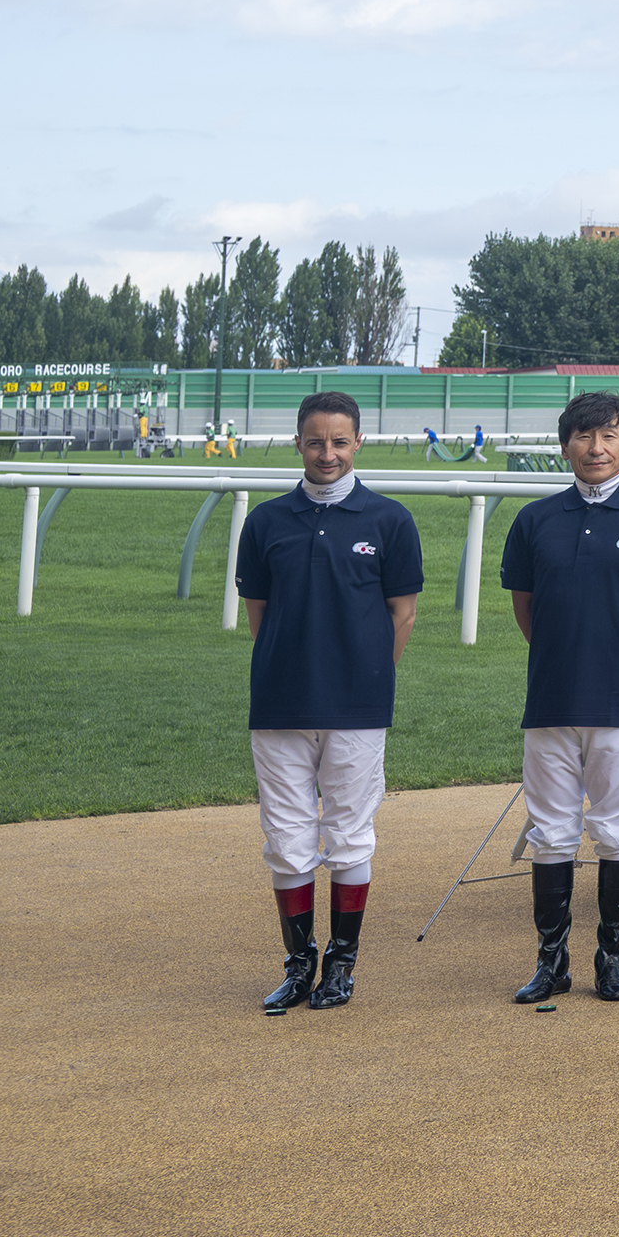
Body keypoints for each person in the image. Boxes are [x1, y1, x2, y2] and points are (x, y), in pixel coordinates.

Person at [499, 391, 619, 1004]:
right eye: (583, 436)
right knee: (551, 832)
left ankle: (612, 960)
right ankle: (550, 963)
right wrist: (562, 658)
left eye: (609, 436)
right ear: (565, 447)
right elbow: (526, 608)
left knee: (616, 830)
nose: (596, 448)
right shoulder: (534, 520)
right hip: (551, 701)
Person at [237, 391, 423, 1013]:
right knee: (286, 838)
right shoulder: (265, 521)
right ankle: (298, 966)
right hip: (280, 704)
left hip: (357, 707)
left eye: (339, 441)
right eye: (315, 441)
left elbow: (402, 614)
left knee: (349, 835)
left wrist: (367, 677)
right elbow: (260, 613)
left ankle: (341, 966)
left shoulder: (390, 520)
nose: (327, 453)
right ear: (297, 443)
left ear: (358, 443)